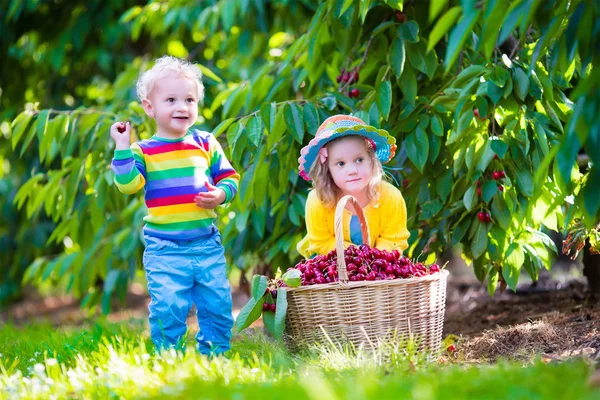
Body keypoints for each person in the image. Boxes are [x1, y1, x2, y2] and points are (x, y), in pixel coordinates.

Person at [109, 55, 240, 355]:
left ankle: (216, 353)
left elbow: (230, 178)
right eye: (171, 99)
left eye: (189, 100)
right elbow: (127, 184)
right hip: (164, 248)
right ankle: (169, 355)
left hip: (206, 244)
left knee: (217, 304)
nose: (182, 107)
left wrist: (220, 195)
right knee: (168, 306)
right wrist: (120, 146)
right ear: (149, 107)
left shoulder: (206, 143)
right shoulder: (141, 151)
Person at [297, 114, 409, 258]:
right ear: (328, 170)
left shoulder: (391, 197)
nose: (352, 171)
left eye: (359, 159)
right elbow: (321, 241)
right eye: (341, 164)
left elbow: (394, 239)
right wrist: (355, 256)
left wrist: (374, 260)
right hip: (330, 263)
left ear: (371, 160)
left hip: (378, 268)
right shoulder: (318, 200)